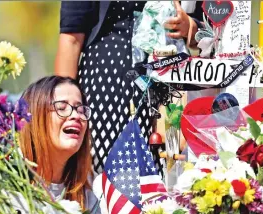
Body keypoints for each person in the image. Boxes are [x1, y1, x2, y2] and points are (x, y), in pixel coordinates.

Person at [54, 1, 204, 174]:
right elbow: (70, 41)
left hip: (171, 89)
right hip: (106, 89)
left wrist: (189, 27)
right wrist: (62, 108)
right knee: (101, 175)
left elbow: (211, 32)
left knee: (170, 169)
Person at [19, 75, 101, 214]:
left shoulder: (90, 191)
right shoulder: (9, 178)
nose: (76, 116)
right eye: (62, 108)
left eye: (81, 110)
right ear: (34, 117)